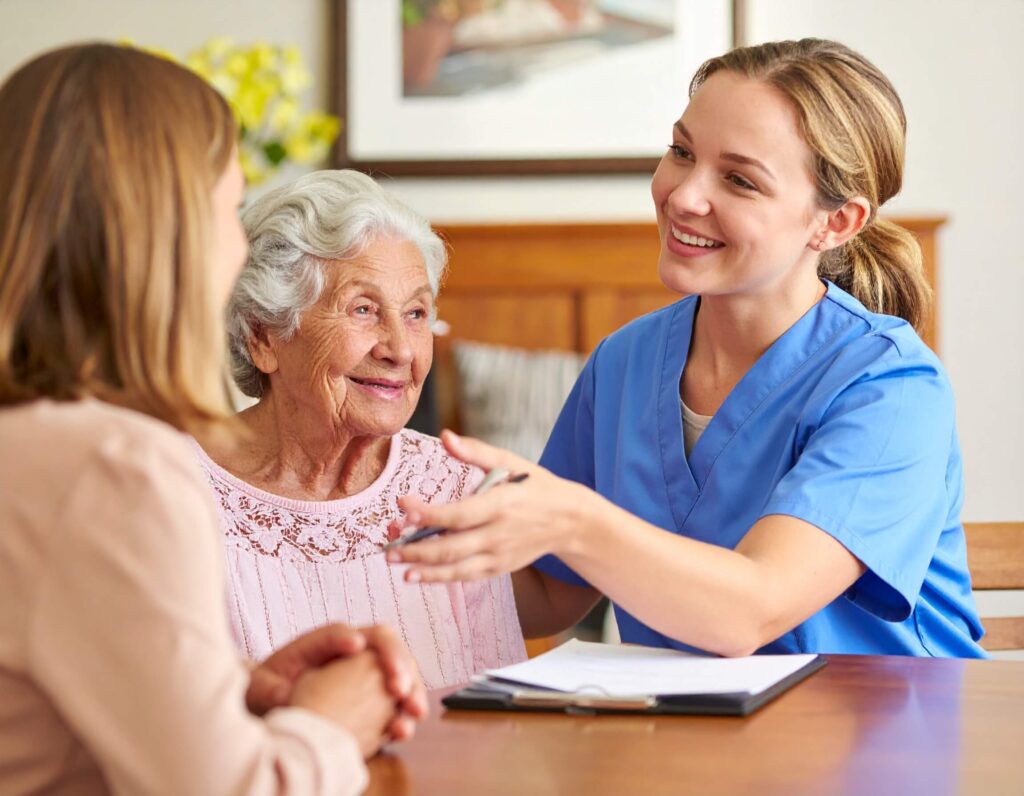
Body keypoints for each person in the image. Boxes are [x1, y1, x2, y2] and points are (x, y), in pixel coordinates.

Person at [387, 38, 987, 659]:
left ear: (833, 222)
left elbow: (748, 612)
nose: (682, 196)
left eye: (739, 180)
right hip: (694, 742)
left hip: (887, 744)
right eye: (681, 151)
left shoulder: (891, 388)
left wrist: (568, 515)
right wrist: (397, 526)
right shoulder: (624, 363)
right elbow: (551, 592)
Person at [0, 44, 427, 795]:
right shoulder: (115, 469)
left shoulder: (35, 443)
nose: (239, 255)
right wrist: (330, 723)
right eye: (229, 211)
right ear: (166, 237)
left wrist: (233, 687)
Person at [194, 169, 526, 688]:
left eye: (416, 313)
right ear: (263, 336)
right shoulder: (176, 490)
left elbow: (500, 712)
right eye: (364, 310)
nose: (400, 349)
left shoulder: (457, 489)